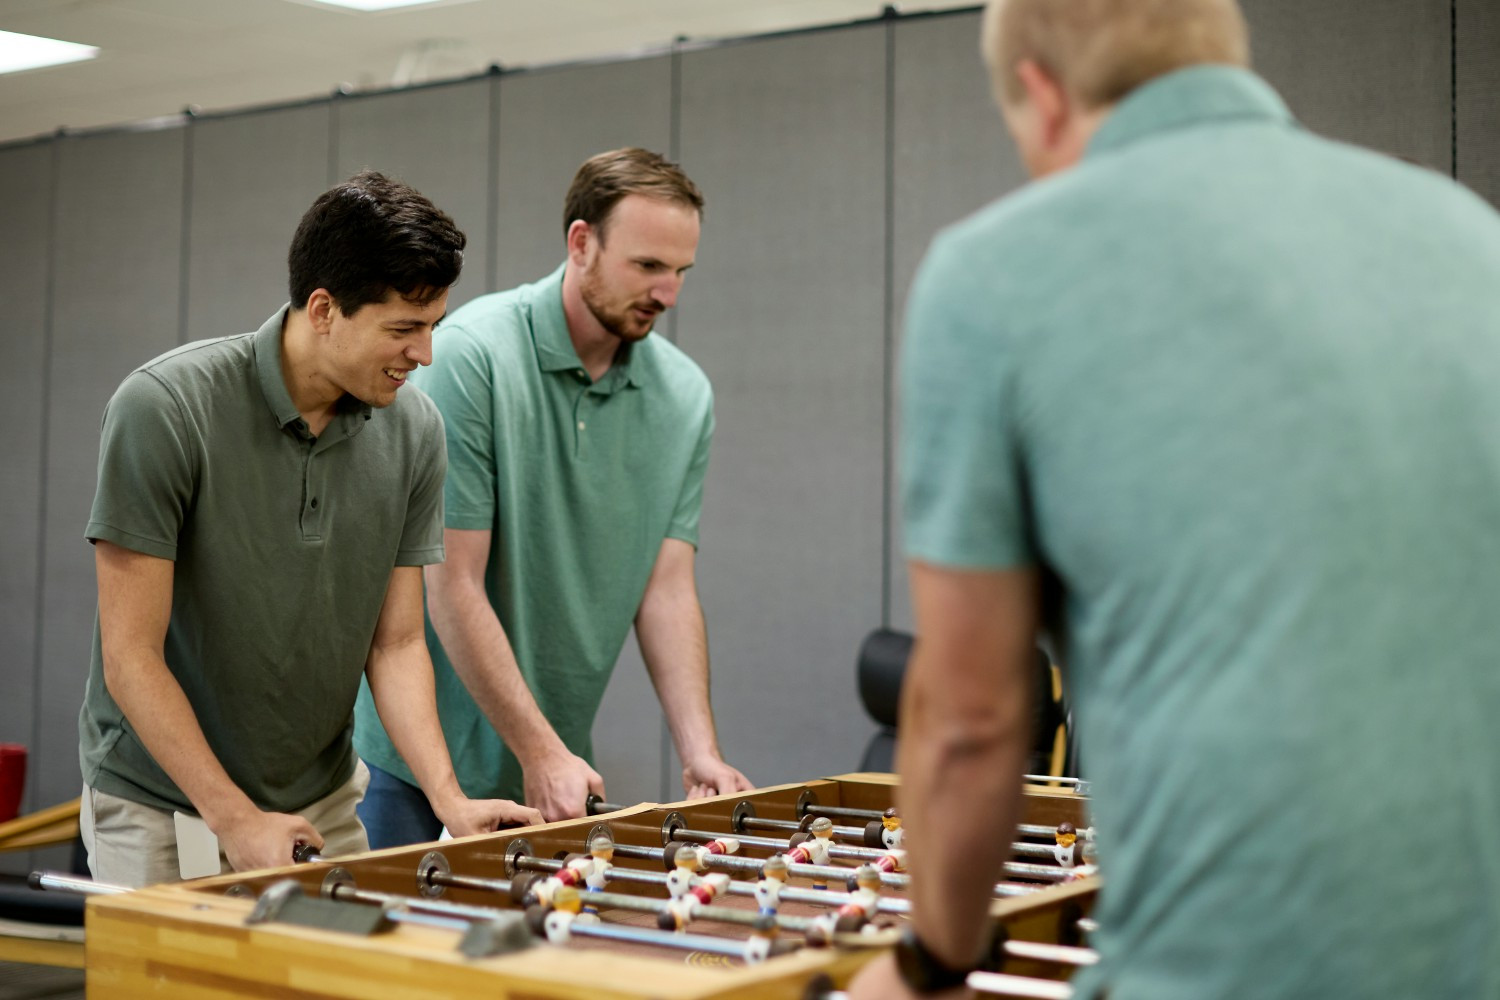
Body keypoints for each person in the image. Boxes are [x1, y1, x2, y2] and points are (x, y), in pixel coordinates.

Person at [851, 0, 1500, 997]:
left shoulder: (992, 277)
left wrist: (929, 957)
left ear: (1040, 92)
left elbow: (973, 717)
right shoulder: (1470, 236)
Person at [79, 171, 541, 888]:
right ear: (323, 309)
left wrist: (451, 801)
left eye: (433, 328)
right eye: (403, 329)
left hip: (318, 805)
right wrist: (233, 818)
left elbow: (397, 643)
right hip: (161, 806)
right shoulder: (165, 408)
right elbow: (130, 656)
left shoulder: (415, 430)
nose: (425, 355)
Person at [353, 148, 752, 844]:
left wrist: (700, 752)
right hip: (413, 772)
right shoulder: (471, 356)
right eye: (649, 266)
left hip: (555, 773)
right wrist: (536, 748)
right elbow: (452, 585)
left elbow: (666, 591)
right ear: (581, 243)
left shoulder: (686, 396)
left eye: (682, 270)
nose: (669, 293)